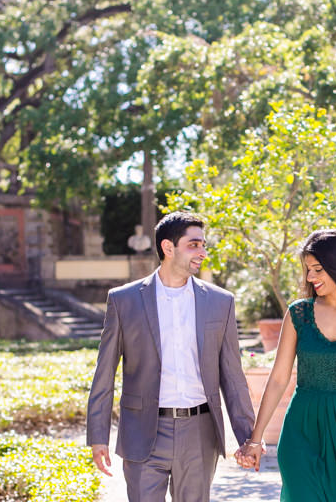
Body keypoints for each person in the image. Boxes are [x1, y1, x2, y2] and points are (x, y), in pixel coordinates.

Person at [86, 211, 255, 502]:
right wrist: (98, 436)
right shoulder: (124, 300)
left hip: (199, 432)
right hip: (142, 432)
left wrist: (247, 437)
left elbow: (232, 375)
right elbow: (104, 373)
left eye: (203, 245)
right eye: (194, 245)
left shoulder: (220, 302)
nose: (202, 252)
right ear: (168, 247)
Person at [235, 229, 336, 501]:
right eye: (308, 270)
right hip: (302, 429)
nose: (310, 277)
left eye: (317, 269)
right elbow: (278, 379)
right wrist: (255, 439)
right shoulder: (299, 314)